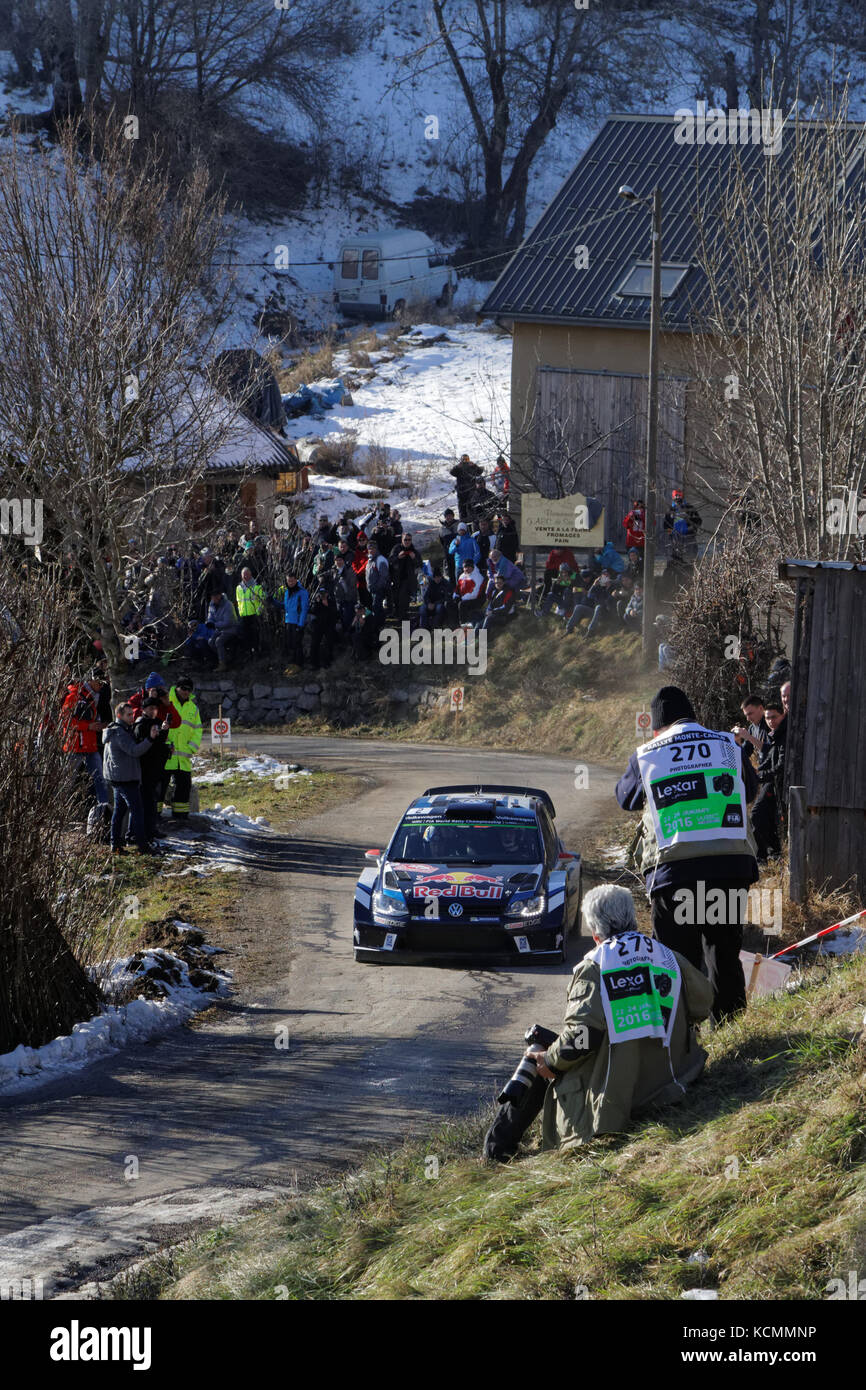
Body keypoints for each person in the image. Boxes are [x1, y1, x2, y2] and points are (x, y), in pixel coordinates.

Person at [482, 885, 713, 1162]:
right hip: (672, 1080)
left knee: (539, 1054)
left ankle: (496, 1152)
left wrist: (549, 1059)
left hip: (619, 1099)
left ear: (595, 934)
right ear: (633, 918)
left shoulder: (596, 965)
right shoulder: (668, 956)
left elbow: (583, 1035)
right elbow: (703, 1004)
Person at [615, 686, 759, 1021]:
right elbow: (750, 789)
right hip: (730, 868)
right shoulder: (726, 745)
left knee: (677, 961)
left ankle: (683, 1044)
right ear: (695, 716)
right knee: (724, 952)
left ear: (657, 727)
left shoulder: (648, 754)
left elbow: (626, 798)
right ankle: (731, 1031)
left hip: (675, 873)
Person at [102, 700, 159, 855]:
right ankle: (142, 845)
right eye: (129, 715)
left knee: (119, 812)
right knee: (137, 811)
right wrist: (151, 739)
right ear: (119, 715)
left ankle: (116, 845)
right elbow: (134, 751)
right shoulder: (119, 733)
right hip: (125, 779)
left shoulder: (117, 730)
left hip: (118, 778)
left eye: (132, 714)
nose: (132, 717)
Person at [61, 672, 109, 809]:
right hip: (74, 747)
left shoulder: (91, 697)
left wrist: (98, 726)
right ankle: (59, 811)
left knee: (100, 779)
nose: (101, 686)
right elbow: (65, 721)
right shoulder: (75, 695)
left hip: (90, 745)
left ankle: (104, 811)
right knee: (67, 781)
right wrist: (88, 726)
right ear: (91, 680)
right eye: (99, 683)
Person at [751, 695, 787, 861]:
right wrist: (756, 772)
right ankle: (771, 854)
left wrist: (760, 776)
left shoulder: (784, 735)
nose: (771, 721)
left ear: (782, 715)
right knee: (764, 817)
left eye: (774, 717)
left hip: (778, 783)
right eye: (768, 718)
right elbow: (768, 761)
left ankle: (766, 855)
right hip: (771, 781)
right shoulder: (774, 734)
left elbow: (781, 766)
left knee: (759, 815)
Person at [160, 677, 202, 819]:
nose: (186, 692)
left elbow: (198, 730)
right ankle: (155, 816)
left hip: (183, 757)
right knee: (161, 787)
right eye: (183, 688)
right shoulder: (166, 701)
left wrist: (191, 747)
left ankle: (181, 817)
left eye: (189, 690)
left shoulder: (193, 708)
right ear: (176, 687)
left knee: (183, 788)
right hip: (166, 754)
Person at [134, 698, 172, 848]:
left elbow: (159, 743)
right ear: (144, 709)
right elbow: (145, 746)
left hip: (156, 769)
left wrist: (165, 730)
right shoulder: (141, 724)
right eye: (150, 708)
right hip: (146, 770)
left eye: (155, 708)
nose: (153, 710)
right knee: (147, 801)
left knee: (152, 801)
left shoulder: (155, 722)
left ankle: (152, 829)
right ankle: (146, 832)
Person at [235, 566, 266, 657]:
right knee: (245, 636)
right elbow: (238, 602)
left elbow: (262, 600)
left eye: (247, 574)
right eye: (243, 575)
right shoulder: (238, 588)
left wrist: (258, 612)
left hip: (254, 615)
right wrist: (240, 613)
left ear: (250, 575)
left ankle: (256, 652)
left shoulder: (256, 586)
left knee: (255, 635)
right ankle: (248, 653)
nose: (245, 576)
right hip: (243, 616)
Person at [389, 533, 420, 620]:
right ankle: (398, 614)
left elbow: (419, 564)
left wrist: (414, 558)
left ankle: (402, 616)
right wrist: (398, 557)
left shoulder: (414, 551)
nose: (407, 541)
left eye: (409, 539)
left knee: (404, 598)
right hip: (396, 578)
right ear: (402, 540)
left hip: (408, 579)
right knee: (396, 598)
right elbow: (390, 560)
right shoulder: (396, 548)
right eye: (405, 539)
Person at [206, 590, 240, 670]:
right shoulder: (211, 604)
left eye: (215, 596)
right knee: (210, 642)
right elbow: (210, 616)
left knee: (218, 641)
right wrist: (209, 622)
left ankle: (223, 664)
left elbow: (228, 622)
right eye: (212, 596)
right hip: (219, 629)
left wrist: (214, 625)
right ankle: (226, 657)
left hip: (231, 629)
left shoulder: (228, 605)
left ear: (219, 596)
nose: (213, 598)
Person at [282, 573, 309, 669]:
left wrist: (301, 625)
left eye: (292, 580)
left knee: (297, 644)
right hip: (289, 620)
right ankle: (292, 663)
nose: (290, 583)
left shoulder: (302, 592)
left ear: (296, 580)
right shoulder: (287, 592)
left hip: (297, 622)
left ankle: (299, 665)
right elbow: (285, 606)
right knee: (291, 644)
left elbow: (304, 609)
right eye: (288, 581)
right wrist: (272, 601)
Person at [308, 587, 337, 668]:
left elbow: (335, 613)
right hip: (318, 625)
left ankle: (327, 661)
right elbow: (311, 611)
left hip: (328, 625)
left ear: (327, 594)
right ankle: (314, 663)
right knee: (314, 644)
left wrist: (327, 605)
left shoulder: (331, 601)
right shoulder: (315, 602)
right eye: (321, 594)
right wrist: (316, 602)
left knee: (328, 643)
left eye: (324, 594)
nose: (323, 596)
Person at [450, 453, 484, 521]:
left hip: (471, 491)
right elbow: (452, 472)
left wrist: (474, 465)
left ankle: (472, 521)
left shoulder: (472, 467)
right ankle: (463, 522)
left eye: (466, 459)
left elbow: (480, 472)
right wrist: (457, 466)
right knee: (462, 509)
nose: (465, 461)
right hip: (461, 492)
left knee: (471, 507)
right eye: (463, 460)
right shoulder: (459, 468)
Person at [365, 541, 390, 626]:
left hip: (379, 589)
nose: (371, 550)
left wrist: (377, 587)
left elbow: (384, 576)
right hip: (372, 589)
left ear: (376, 548)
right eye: (369, 548)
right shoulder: (369, 559)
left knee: (376, 607)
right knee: (377, 607)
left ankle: (378, 625)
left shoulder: (380, 559)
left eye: (373, 548)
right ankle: (380, 623)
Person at [456, 558, 485, 625]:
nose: (466, 569)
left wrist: (462, 598)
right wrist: (456, 595)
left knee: (462, 604)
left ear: (472, 566)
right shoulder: (462, 576)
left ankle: (464, 624)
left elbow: (475, 594)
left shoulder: (478, 576)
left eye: (468, 566)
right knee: (451, 603)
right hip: (465, 598)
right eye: (465, 567)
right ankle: (454, 623)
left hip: (477, 600)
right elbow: (457, 588)